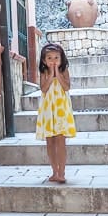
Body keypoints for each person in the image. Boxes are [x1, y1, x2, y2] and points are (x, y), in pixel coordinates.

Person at [35, 43, 76, 183]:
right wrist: (51, 75)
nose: (53, 61)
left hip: (61, 109)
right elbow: (44, 89)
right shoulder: (44, 72)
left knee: (60, 140)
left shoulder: (64, 71)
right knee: (50, 141)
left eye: (56, 58)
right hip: (48, 110)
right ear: (44, 60)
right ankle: (54, 171)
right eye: (50, 58)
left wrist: (57, 73)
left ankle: (62, 172)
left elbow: (66, 87)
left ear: (61, 59)